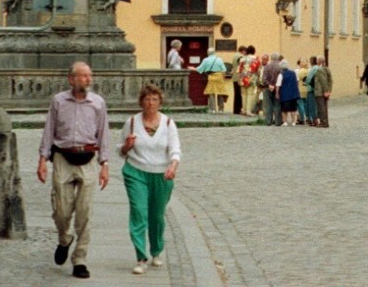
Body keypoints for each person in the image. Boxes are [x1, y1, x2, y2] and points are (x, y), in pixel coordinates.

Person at [37, 61, 111, 281]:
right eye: (83, 76)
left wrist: (104, 164)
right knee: (61, 210)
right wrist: (42, 160)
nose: (88, 79)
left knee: (84, 211)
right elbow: (49, 129)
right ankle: (64, 238)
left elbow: (103, 133)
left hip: (87, 158)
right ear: (71, 79)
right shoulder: (58, 101)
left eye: (90, 75)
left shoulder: (98, 103)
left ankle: (80, 259)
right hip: (62, 157)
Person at [119, 83, 181, 275]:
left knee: (156, 216)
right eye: (147, 99)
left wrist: (172, 166)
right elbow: (120, 150)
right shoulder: (131, 122)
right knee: (138, 212)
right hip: (136, 172)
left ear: (160, 102)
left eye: (154, 99)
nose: (150, 103)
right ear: (141, 102)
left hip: (161, 175)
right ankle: (141, 257)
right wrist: (127, 146)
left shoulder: (168, 123)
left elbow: (175, 150)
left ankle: (156, 250)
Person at [191, 48, 229, 113]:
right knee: (221, 92)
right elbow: (224, 70)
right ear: (214, 53)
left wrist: (192, 68)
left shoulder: (206, 60)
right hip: (219, 77)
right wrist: (223, 78)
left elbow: (199, 69)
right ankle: (221, 109)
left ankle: (212, 109)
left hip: (211, 77)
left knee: (211, 93)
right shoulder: (219, 59)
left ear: (208, 53)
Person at [275, 59, 301, 125]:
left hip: (285, 94)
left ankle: (285, 121)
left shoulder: (281, 75)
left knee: (284, 109)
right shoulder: (293, 73)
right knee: (293, 108)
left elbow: (278, 85)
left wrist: (277, 94)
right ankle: (294, 121)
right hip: (294, 93)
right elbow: (297, 81)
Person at [312, 56, 333, 127]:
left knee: (321, 108)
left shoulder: (319, 70)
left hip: (320, 91)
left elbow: (323, 81)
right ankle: (326, 122)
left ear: (319, 61)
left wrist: (325, 91)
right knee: (324, 107)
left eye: (317, 60)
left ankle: (323, 122)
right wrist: (329, 90)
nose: (316, 61)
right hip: (325, 91)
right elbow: (330, 80)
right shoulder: (327, 69)